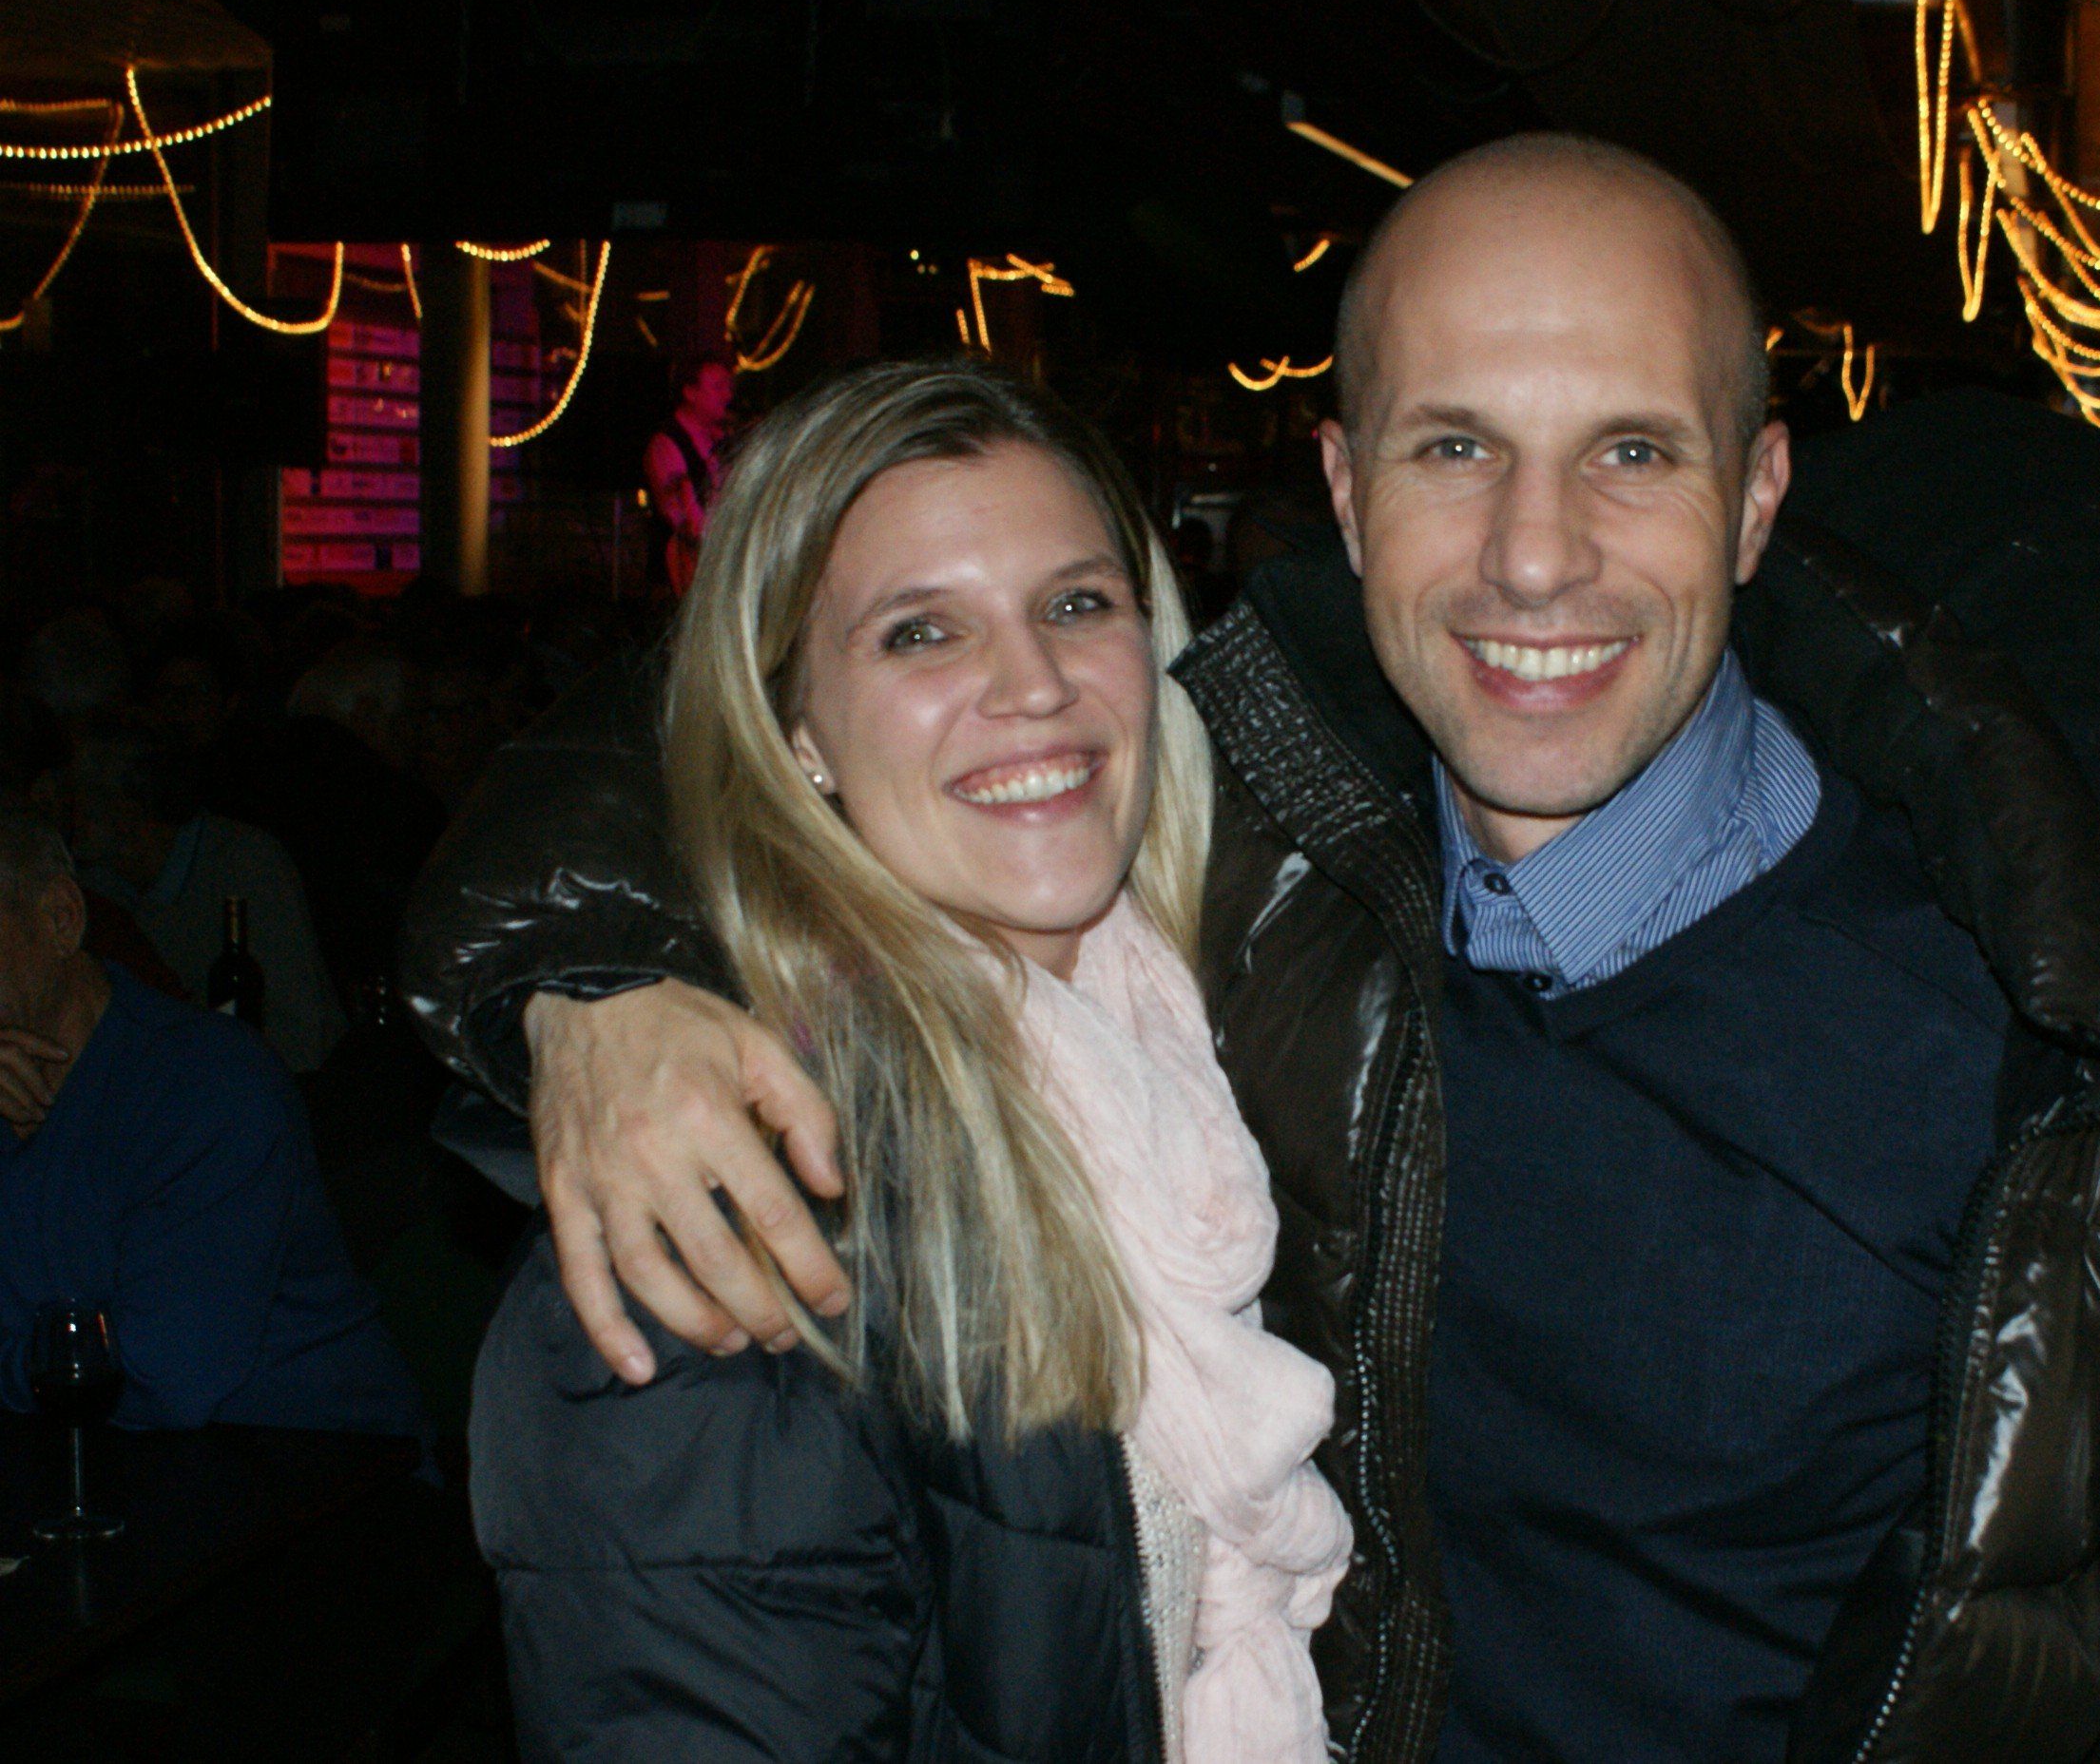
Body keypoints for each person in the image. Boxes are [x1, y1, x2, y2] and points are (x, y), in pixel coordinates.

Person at [402, 136, 2100, 1759]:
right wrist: (590, 980)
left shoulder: (2095, 1035)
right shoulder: (1242, 878)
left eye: (1630, 452)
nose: (1532, 555)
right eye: (1452, 449)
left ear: (1758, 497)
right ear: (1340, 491)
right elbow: (791, 717)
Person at [461, 360, 1350, 1760]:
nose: (1034, 684)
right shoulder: (727, 1207)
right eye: (921, 633)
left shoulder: (1218, 1039)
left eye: (1076, 605)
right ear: (797, 731)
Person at [0, 805, 425, 1440]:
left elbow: (160, 1378)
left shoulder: (206, 1084)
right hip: (116, 1466)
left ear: (61, 918)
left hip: (318, 1463)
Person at [60, 718, 348, 1072]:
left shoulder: (246, 866)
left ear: (125, 811)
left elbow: (303, 1035)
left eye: (77, 799)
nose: (65, 815)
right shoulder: (98, 888)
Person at [645, 352, 738, 597]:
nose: (727, 396)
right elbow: (685, 521)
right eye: (718, 387)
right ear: (690, 392)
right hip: (684, 580)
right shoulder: (666, 444)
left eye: (728, 387)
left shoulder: (723, 439)